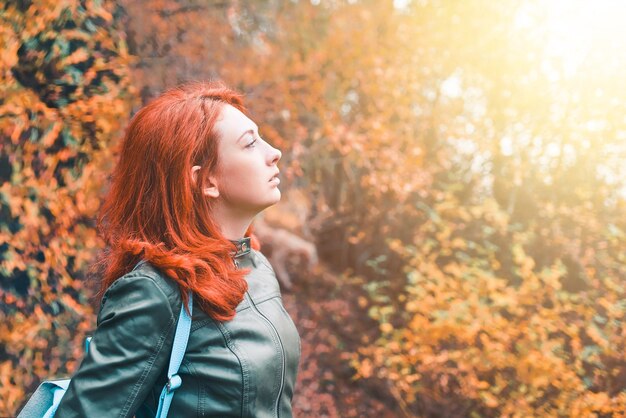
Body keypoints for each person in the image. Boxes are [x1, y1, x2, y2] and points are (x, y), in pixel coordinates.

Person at [54, 80, 301, 417]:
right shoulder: (155, 293)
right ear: (204, 181)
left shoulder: (255, 264)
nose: (274, 152)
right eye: (250, 143)